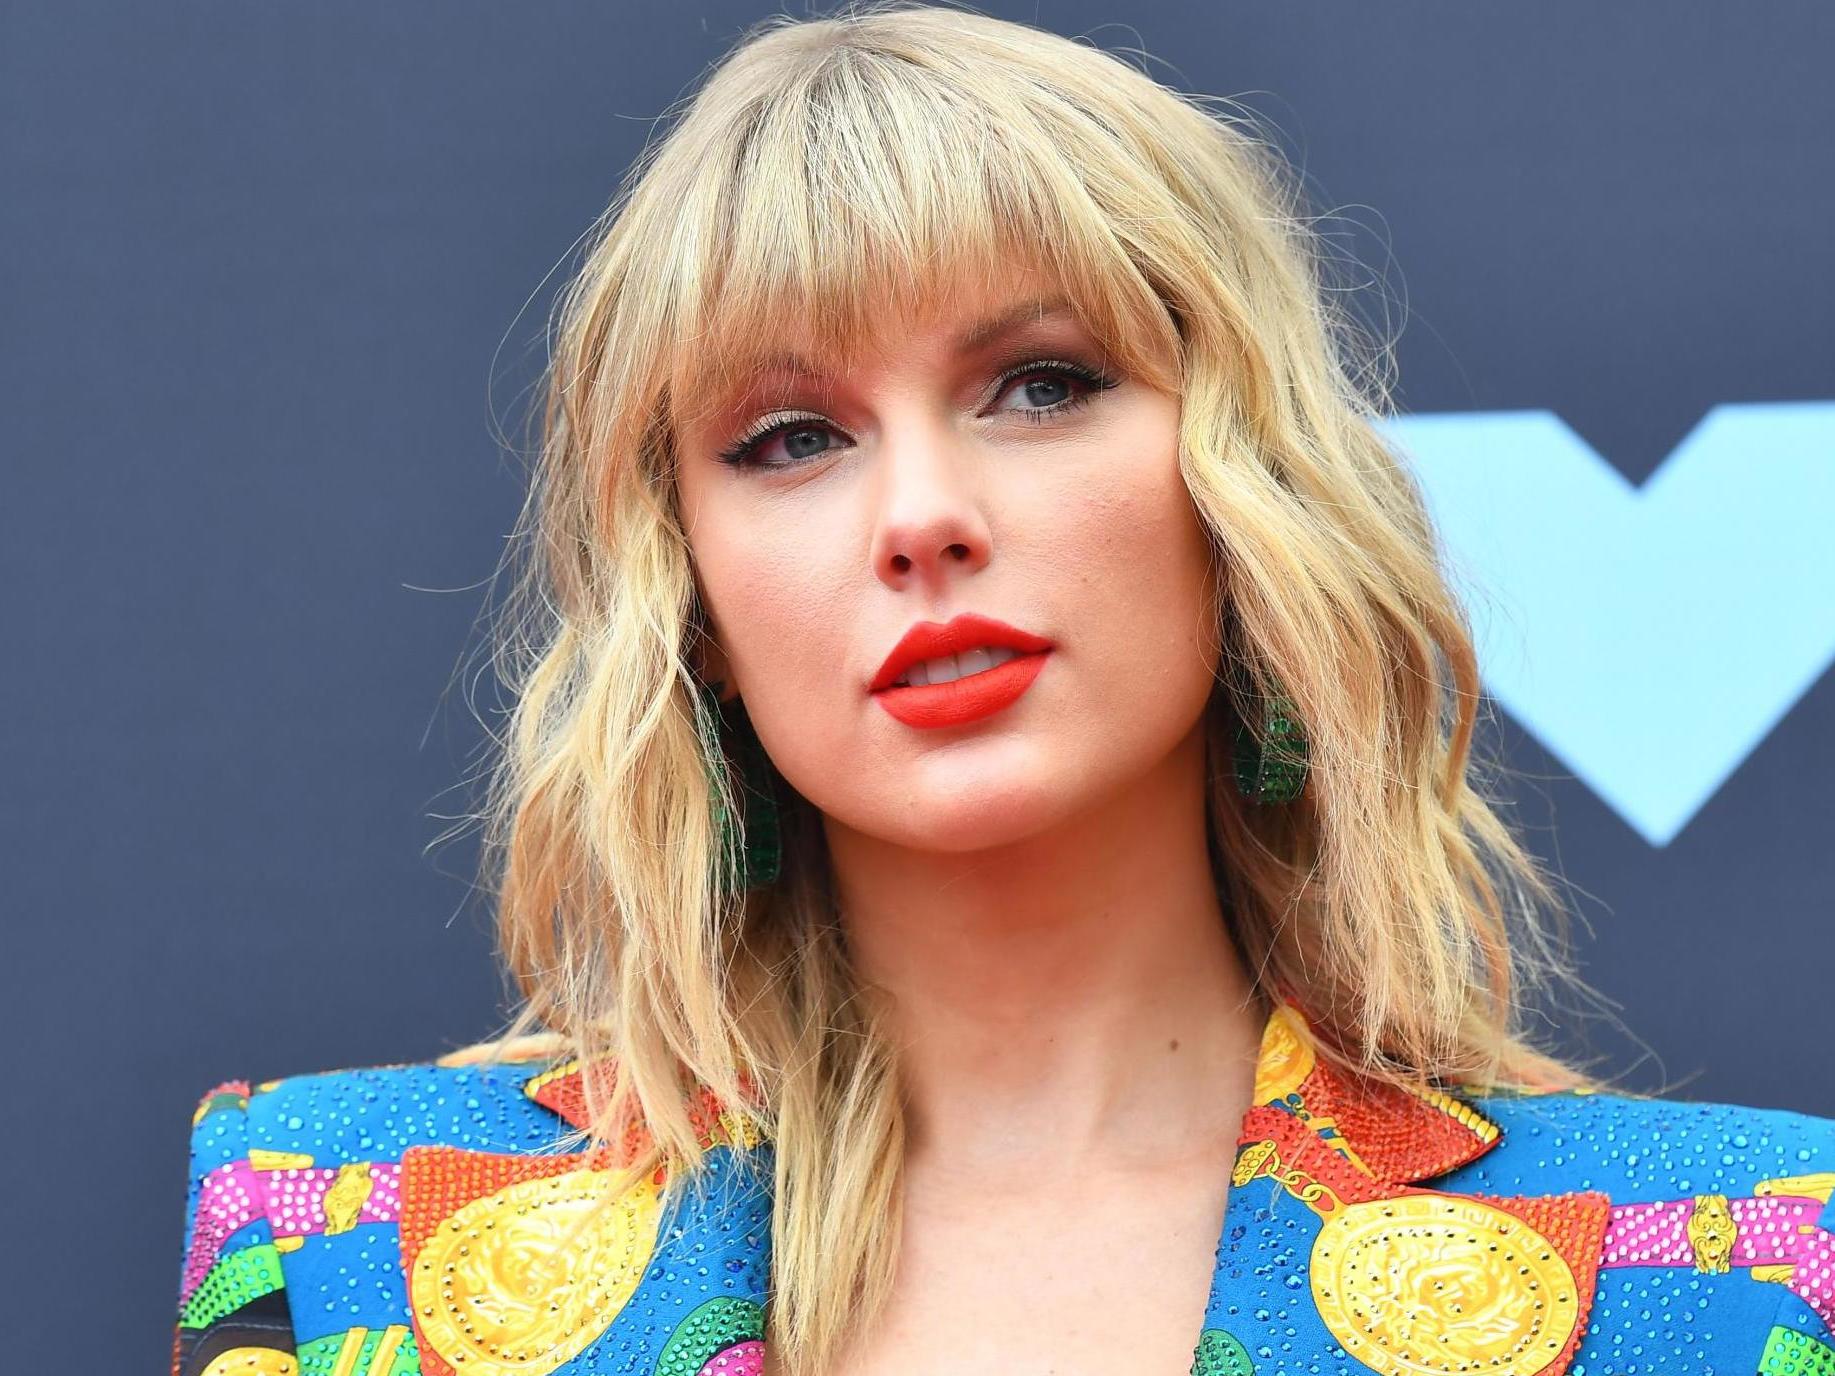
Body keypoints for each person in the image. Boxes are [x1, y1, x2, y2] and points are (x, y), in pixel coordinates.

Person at [169, 5, 1835, 1376]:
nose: (919, 519)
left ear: (1240, 482)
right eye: (791, 439)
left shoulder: (1734, 1269)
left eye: (1041, 385)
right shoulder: (344, 1251)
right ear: (690, 593)